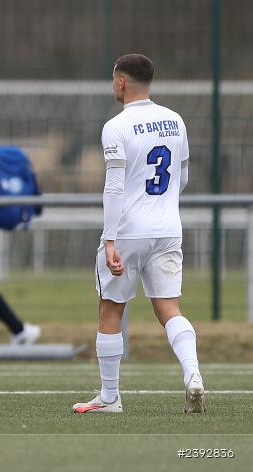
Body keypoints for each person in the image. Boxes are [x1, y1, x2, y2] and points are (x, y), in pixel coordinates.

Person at [73, 54, 203, 414]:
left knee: (110, 310)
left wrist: (110, 239)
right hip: (168, 228)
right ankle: (193, 374)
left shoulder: (117, 126)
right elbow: (183, 177)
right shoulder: (175, 120)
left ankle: (110, 398)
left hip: (129, 231)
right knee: (169, 308)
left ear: (121, 83)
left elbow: (114, 188)